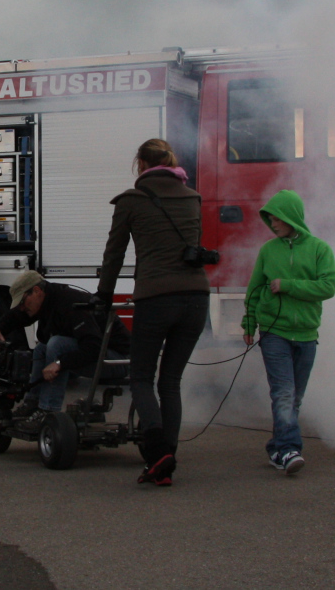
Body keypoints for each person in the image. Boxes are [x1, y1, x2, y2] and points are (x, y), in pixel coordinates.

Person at [96, 138, 209, 487]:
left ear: (141, 165)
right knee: (170, 381)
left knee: (141, 378)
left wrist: (103, 296)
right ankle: (167, 459)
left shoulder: (131, 201)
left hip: (156, 298)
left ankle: (159, 453)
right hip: (196, 297)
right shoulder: (192, 198)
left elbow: (114, 254)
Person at [242, 190, 335, 476]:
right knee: (284, 393)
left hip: (307, 335)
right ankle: (288, 449)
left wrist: (288, 285)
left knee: (294, 397)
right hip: (274, 332)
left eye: (276, 217)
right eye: (269, 218)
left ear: (291, 217)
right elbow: (256, 289)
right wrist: (249, 323)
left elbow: (328, 287)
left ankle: (277, 448)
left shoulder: (321, 249)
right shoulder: (268, 251)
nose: (272, 223)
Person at [0, 270, 129, 417]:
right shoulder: (47, 300)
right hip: (99, 354)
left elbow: (93, 347)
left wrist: (60, 363)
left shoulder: (70, 303)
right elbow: (18, 316)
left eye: (23, 302)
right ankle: (32, 403)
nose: (22, 307)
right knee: (41, 348)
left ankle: (48, 410)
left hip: (118, 360)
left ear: (37, 291)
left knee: (57, 344)